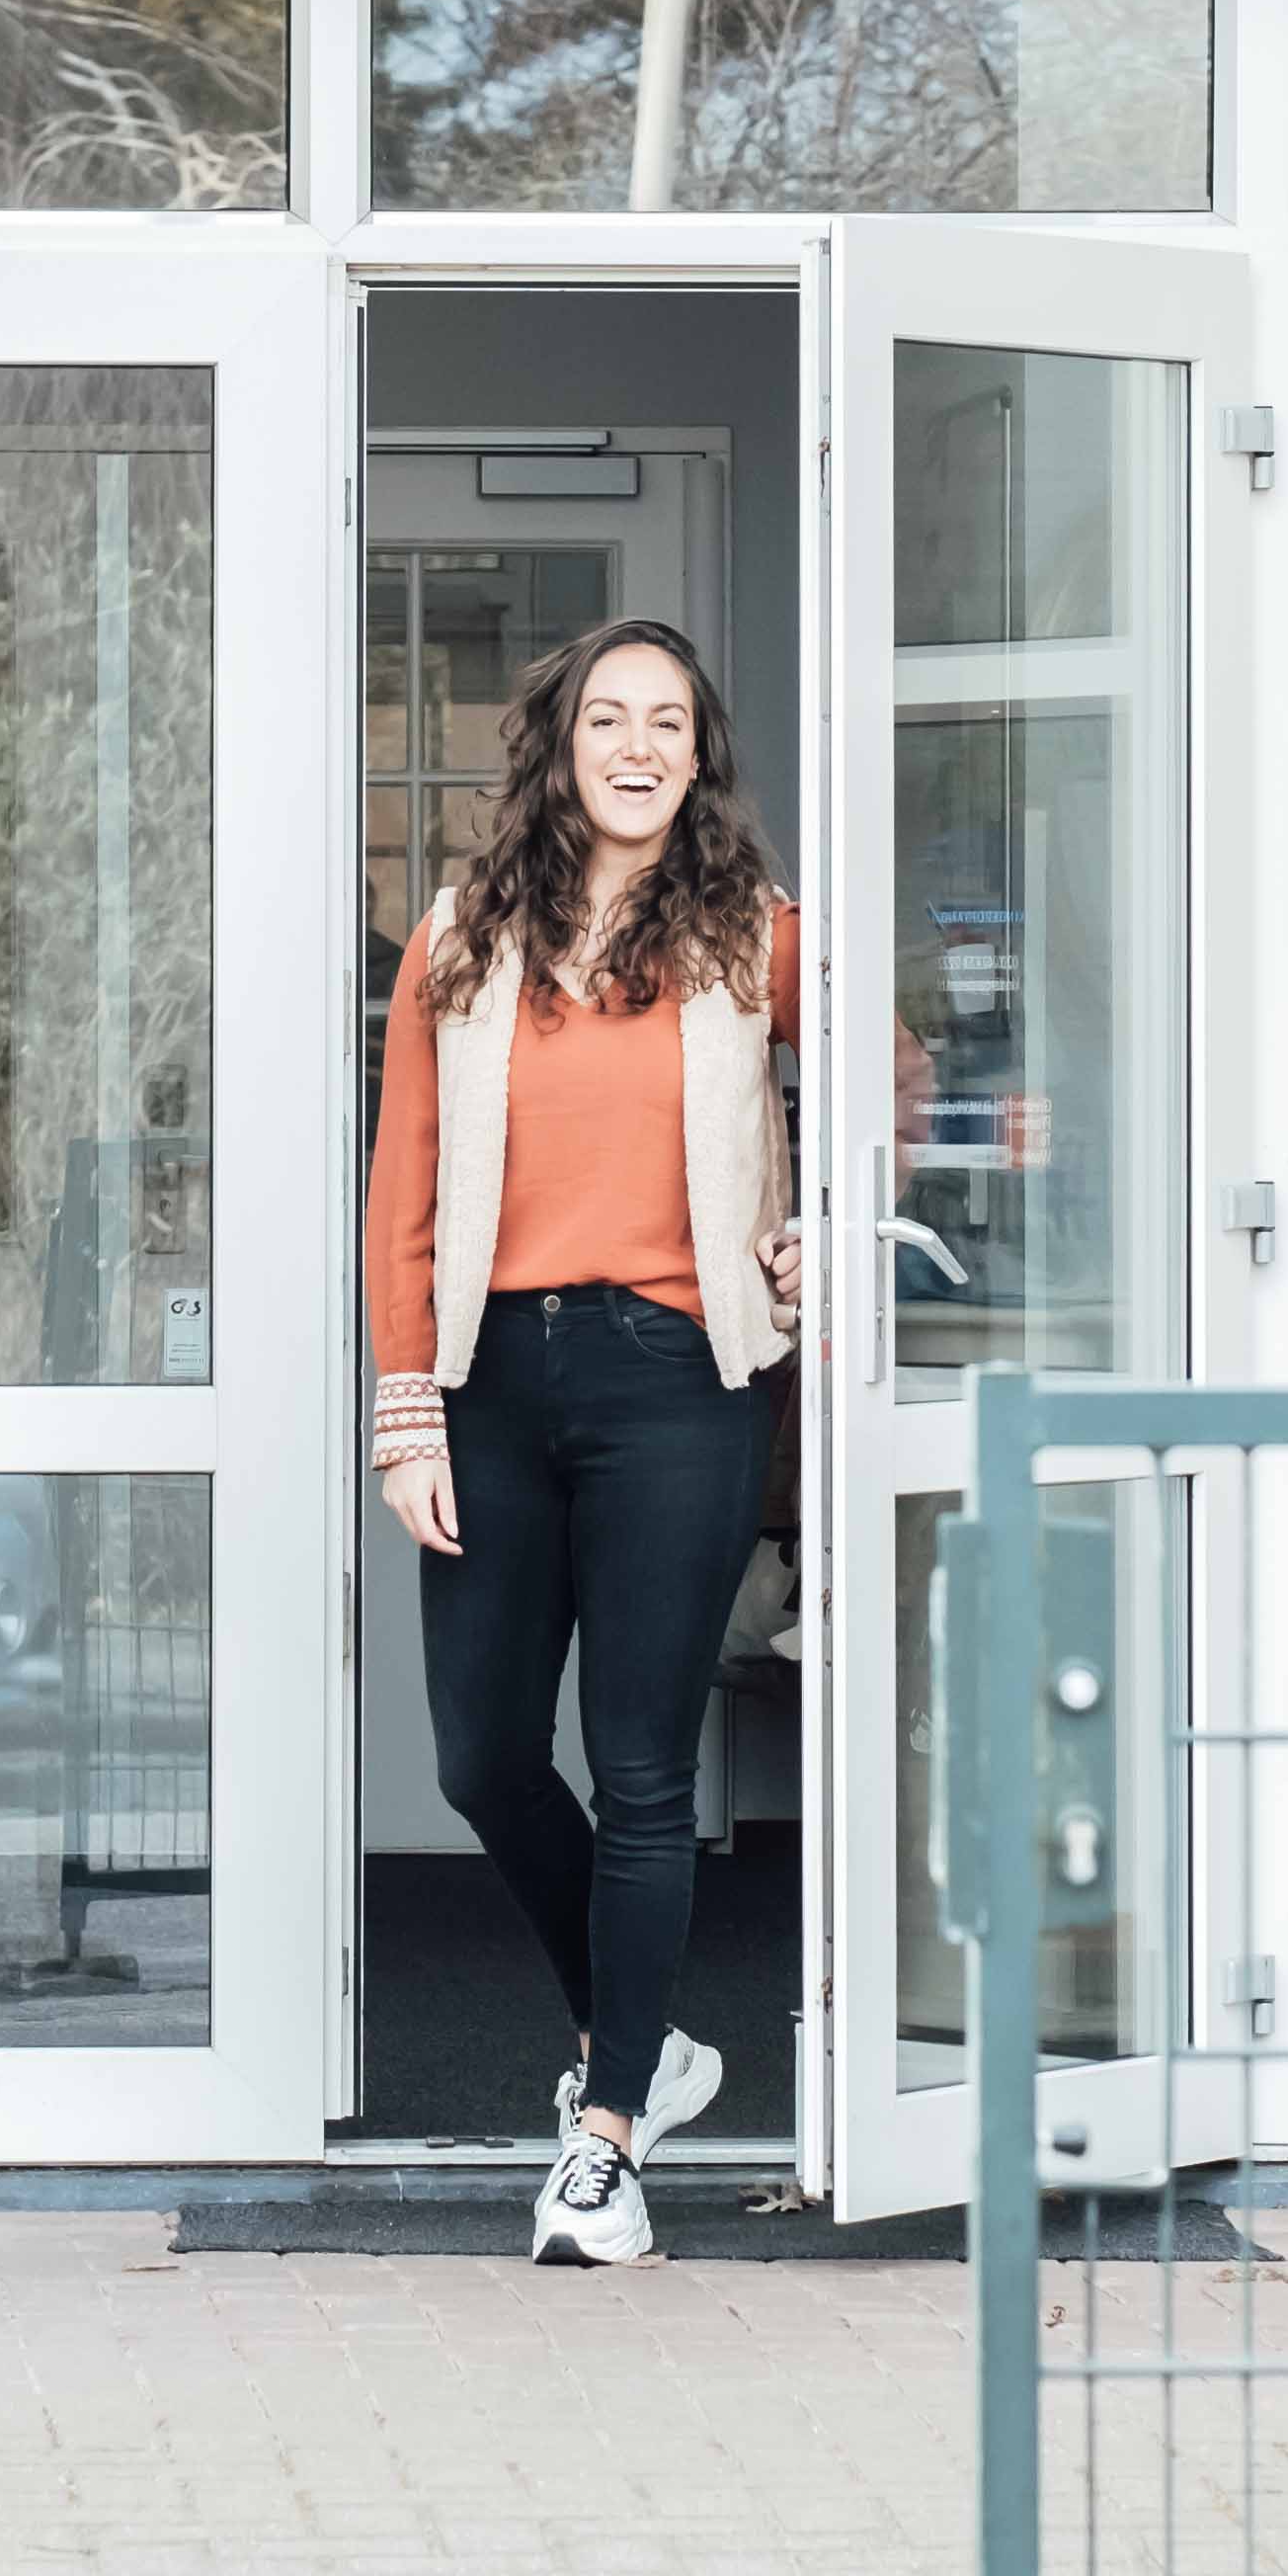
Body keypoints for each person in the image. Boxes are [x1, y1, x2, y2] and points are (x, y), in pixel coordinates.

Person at [364, 618, 803, 2266]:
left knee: (637, 1771)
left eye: (666, 723)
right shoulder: (458, 939)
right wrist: (407, 1406)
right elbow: (403, 1186)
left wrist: (820, 1230)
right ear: (558, 746)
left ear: (698, 757)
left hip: (676, 1381)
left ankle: (607, 2135)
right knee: (480, 1754)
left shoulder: (754, 938)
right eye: (607, 718)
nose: (635, 746)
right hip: (490, 1378)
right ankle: (649, 2043)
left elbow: (900, 1082)